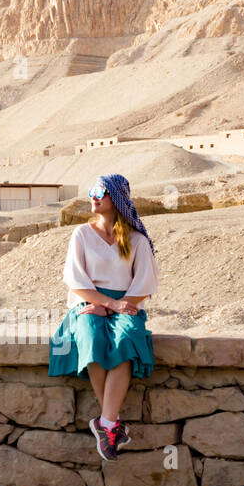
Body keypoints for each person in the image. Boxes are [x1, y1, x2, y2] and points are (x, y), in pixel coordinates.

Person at [48, 173, 159, 461]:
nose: (93, 197)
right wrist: (102, 303)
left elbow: (144, 282)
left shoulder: (136, 240)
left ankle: (106, 423)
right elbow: (75, 280)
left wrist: (114, 306)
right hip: (88, 303)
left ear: (117, 199)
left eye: (101, 192)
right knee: (91, 335)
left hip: (126, 304)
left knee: (126, 338)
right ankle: (111, 426)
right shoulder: (81, 235)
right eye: (92, 191)